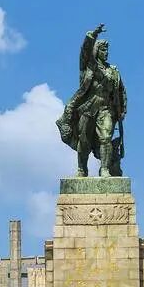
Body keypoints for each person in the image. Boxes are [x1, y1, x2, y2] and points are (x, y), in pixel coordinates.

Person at [56, 23, 127, 177]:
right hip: (88, 108)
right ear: (96, 51)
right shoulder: (88, 67)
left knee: (106, 137)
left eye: (107, 50)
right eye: (102, 50)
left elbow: (121, 91)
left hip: (106, 109)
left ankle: (105, 169)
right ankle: (82, 169)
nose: (106, 53)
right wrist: (92, 35)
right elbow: (85, 51)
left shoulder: (113, 71)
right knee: (84, 141)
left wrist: (122, 110)